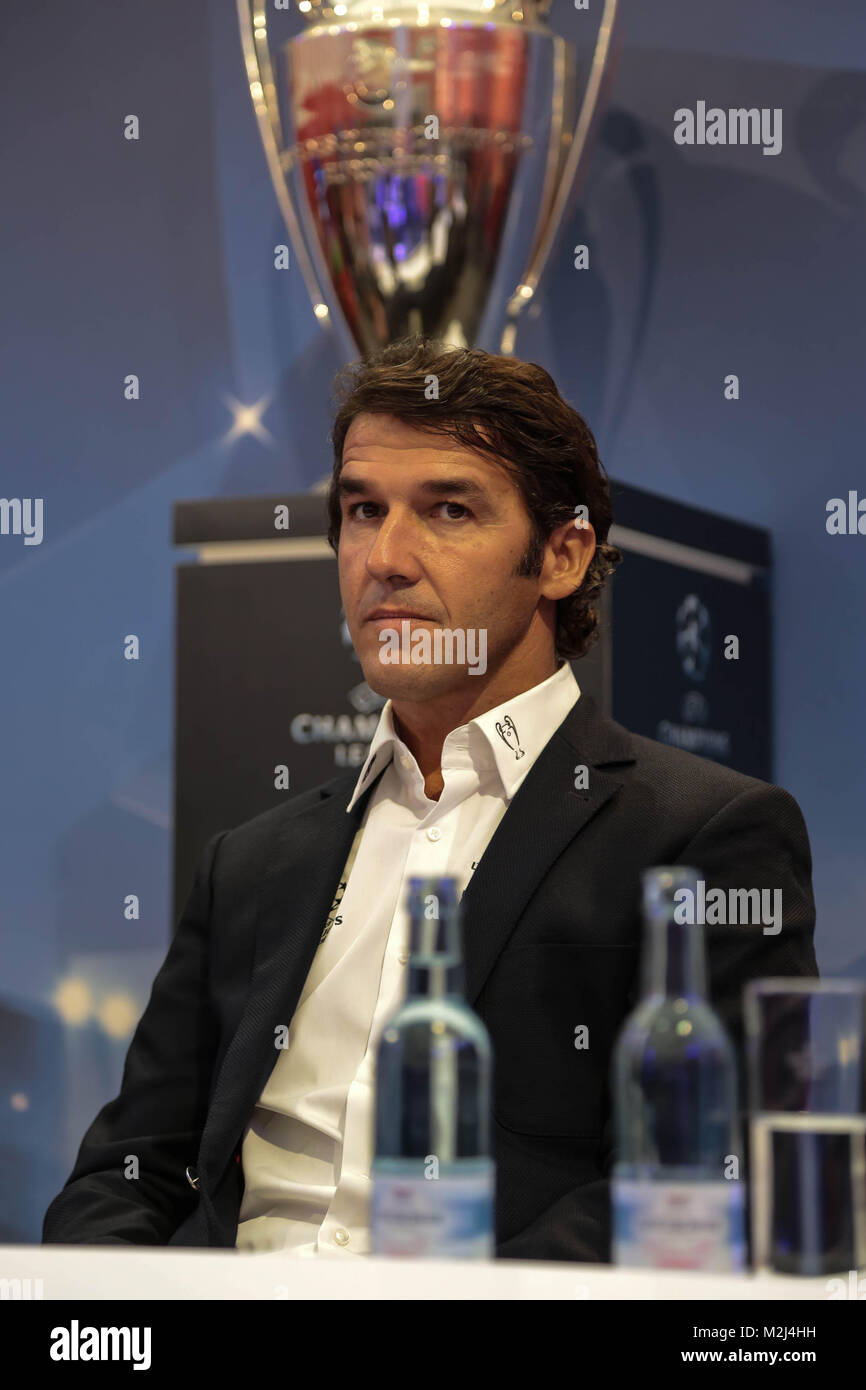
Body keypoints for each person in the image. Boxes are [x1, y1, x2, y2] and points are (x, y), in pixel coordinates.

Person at [43, 336, 818, 1261]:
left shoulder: (701, 834)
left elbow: (702, 1179)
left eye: (449, 509)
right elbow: (129, 1171)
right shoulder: (252, 861)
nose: (386, 557)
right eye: (362, 511)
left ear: (562, 555)